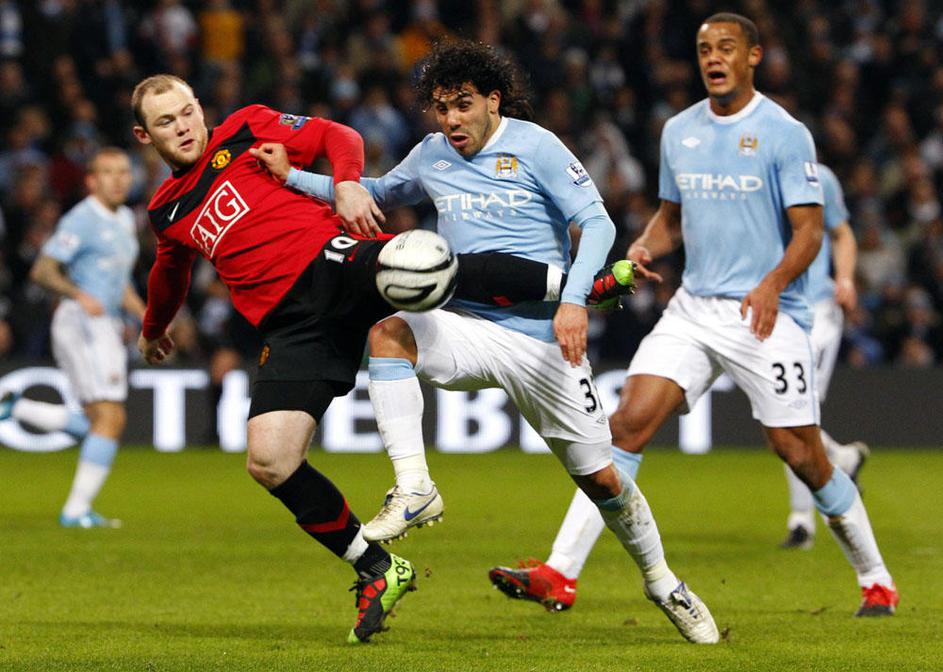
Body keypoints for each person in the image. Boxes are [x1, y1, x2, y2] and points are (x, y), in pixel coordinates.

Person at [126, 73, 622, 644]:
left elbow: (339, 136)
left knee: (426, 265)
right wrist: (152, 330)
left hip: (331, 258)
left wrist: (345, 186)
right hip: (291, 326)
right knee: (270, 460)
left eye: (188, 111)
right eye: (166, 121)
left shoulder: (244, 129)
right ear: (145, 135)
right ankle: (377, 567)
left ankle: (583, 286)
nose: (184, 126)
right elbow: (169, 273)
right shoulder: (165, 211)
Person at [265, 40, 719, 644]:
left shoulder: (536, 146)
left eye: (463, 104)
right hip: (468, 327)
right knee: (389, 334)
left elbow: (598, 222)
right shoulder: (432, 154)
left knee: (602, 481)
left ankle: (662, 583)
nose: (451, 119)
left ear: (493, 101)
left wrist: (575, 302)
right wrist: (293, 178)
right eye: (441, 108)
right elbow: (375, 192)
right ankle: (415, 486)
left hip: (544, 340)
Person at [487, 14, 899, 618]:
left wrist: (772, 285)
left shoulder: (784, 134)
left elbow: (811, 232)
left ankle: (876, 578)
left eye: (726, 47)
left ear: (753, 56)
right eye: (705, 48)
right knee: (625, 426)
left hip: (766, 314)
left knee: (800, 453)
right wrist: (644, 246)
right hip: (694, 310)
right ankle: (560, 574)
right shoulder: (679, 131)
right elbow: (672, 219)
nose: (713, 57)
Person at [0, 147, 144, 528]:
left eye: (124, 172)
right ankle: (76, 511)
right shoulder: (81, 219)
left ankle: (16, 409)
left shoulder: (125, 219)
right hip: (81, 321)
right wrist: (79, 294)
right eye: (108, 172)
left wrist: (147, 316)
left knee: (99, 421)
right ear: (91, 181)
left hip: (106, 323)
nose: (118, 179)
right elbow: (43, 271)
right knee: (110, 417)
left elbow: (119, 283)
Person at [780, 163, 869, 550]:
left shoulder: (818, 177)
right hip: (771, 309)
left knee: (793, 412)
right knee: (780, 414)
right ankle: (842, 458)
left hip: (815, 309)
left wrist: (845, 279)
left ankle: (802, 521)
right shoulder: (743, 175)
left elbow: (841, 232)